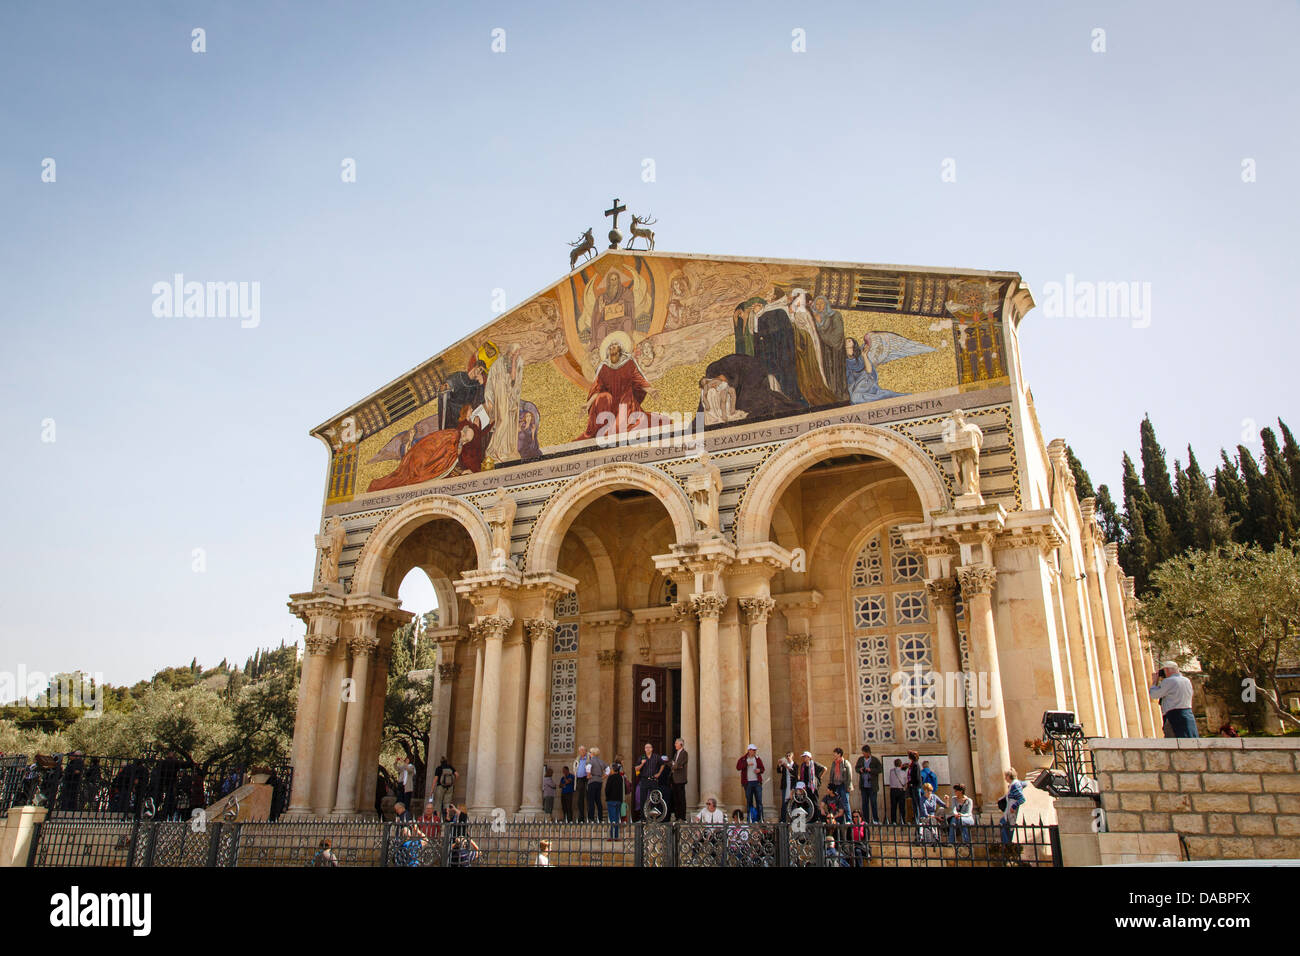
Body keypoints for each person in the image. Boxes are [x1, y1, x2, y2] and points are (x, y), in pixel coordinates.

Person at [1150, 661, 1198, 738]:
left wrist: (1154, 682)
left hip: (1174, 715)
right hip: (1188, 714)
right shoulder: (1186, 680)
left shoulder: (1169, 681)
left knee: (1173, 741)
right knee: (1190, 737)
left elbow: (1154, 694)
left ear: (1167, 670)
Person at [736, 744, 766, 821]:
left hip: (757, 782)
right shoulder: (743, 759)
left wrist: (759, 770)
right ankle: (750, 819)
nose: (754, 751)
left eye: (755, 750)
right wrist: (746, 764)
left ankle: (761, 819)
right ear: (749, 750)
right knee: (749, 802)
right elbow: (738, 767)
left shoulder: (757, 759)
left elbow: (762, 768)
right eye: (753, 750)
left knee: (759, 801)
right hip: (748, 783)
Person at [855, 745, 883, 824]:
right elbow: (856, 768)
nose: (863, 754)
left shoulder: (874, 760)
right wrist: (860, 770)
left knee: (873, 803)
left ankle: (875, 819)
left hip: (872, 786)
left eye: (864, 753)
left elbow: (880, 769)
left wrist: (871, 770)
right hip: (864, 785)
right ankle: (866, 820)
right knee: (864, 804)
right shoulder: (861, 759)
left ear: (868, 752)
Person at [999, 768, 1026, 845]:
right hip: (1008, 814)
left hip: (1012, 813)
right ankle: (1007, 845)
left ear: (1009, 776)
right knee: (1003, 824)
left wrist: (1013, 807)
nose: (1005, 778)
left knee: (1006, 827)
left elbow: (1022, 799)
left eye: (1006, 776)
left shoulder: (1015, 785)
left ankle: (1008, 846)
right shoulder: (1013, 785)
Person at [827, 747, 854, 821]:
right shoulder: (834, 763)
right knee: (836, 803)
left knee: (845, 802)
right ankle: (838, 819)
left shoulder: (846, 763)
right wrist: (831, 785)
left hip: (843, 785)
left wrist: (848, 786)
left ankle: (849, 820)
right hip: (836, 785)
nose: (834, 755)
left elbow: (849, 775)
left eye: (835, 754)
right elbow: (831, 774)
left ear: (839, 754)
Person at [946, 783, 975, 850]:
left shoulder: (969, 800)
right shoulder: (954, 799)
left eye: (956, 791)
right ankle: (951, 842)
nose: (955, 792)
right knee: (953, 820)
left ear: (961, 791)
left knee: (960, 820)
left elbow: (969, 812)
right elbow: (953, 809)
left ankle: (966, 841)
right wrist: (956, 814)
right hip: (957, 817)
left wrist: (961, 815)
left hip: (967, 818)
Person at [635, 742, 659, 819]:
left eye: (649, 747)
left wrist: (658, 774)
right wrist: (642, 764)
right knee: (643, 799)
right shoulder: (641, 757)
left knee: (654, 798)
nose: (647, 749)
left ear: (652, 749)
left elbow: (663, 764)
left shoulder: (656, 757)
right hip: (644, 780)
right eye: (646, 748)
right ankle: (643, 817)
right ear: (644, 749)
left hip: (653, 780)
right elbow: (636, 769)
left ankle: (654, 817)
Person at [604, 757, 625, 840]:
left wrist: (607, 797)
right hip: (618, 800)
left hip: (611, 800)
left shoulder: (610, 777)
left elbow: (607, 789)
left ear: (612, 769)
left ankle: (612, 836)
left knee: (612, 818)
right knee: (616, 818)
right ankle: (616, 836)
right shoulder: (620, 777)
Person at [586, 748, 607, 823]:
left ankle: (591, 818)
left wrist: (588, 775)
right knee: (598, 800)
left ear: (592, 753)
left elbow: (588, 768)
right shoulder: (601, 761)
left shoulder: (591, 761)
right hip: (599, 781)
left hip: (592, 781)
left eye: (590, 752)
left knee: (591, 800)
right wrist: (603, 777)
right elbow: (607, 769)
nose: (589, 753)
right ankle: (600, 818)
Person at [670, 738, 689, 821]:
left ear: (681, 744)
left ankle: (682, 817)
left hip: (680, 779)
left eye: (676, 743)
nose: (675, 745)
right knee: (676, 798)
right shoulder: (676, 753)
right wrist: (674, 765)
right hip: (674, 779)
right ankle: (677, 816)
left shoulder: (684, 753)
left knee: (681, 799)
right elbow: (673, 764)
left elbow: (679, 765)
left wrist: (675, 766)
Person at [776, 753, 797, 823]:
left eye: (789, 756)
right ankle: (783, 820)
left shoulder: (795, 765)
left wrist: (787, 767)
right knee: (784, 803)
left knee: (792, 803)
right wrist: (779, 764)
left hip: (792, 787)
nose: (788, 757)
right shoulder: (784, 765)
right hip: (785, 786)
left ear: (792, 757)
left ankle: (793, 819)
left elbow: (795, 773)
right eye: (787, 756)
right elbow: (778, 771)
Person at [906, 750, 924, 824]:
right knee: (914, 804)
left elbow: (916, 777)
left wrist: (910, 782)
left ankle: (919, 819)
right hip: (913, 787)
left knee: (917, 803)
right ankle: (917, 819)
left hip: (916, 786)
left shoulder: (915, 765)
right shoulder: (912, 764)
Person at [888, 758, 908, 824]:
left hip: (893, 790)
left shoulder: (891, 771)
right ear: (900, 764)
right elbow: (906, 782)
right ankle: (902, 820)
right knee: (902, 807)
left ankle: (894, 821)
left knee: (893, 806)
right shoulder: (903, 772)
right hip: (900, 790)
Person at [573, 746, 590, 822]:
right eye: (580, 750)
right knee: (580, 799)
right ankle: (581, 817)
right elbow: (574, 767)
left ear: (586, 751)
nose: (582, 751)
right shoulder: (577, 759)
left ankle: (590, 817)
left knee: (589, 798)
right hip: (579, 780)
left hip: (587, 779)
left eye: (583, 750)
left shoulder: (589, 758)